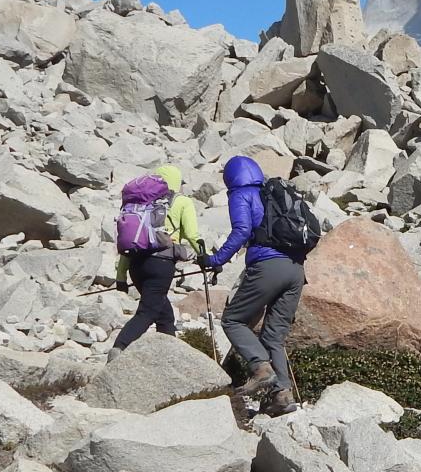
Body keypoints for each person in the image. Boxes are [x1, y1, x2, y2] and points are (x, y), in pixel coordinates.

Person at [203, 154, 302, 414]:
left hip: (267, 266)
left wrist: (216, 259)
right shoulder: (273, 194)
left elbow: (242, 231)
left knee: (233, 320)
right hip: (296, 271)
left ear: (231, 178)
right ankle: (282, 397)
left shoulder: (241, 194)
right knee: (273, 337)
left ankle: (260, 368)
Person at [112, 164, 205, 355]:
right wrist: (208, 258)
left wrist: (121, 276)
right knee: (148, 311)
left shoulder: (141, 204)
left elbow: (129, 244)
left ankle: (168, 356)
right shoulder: (182, 202)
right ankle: (119, 346)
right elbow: (192, 235)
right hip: (160, 266)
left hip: (136, 266)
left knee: (164, 315)